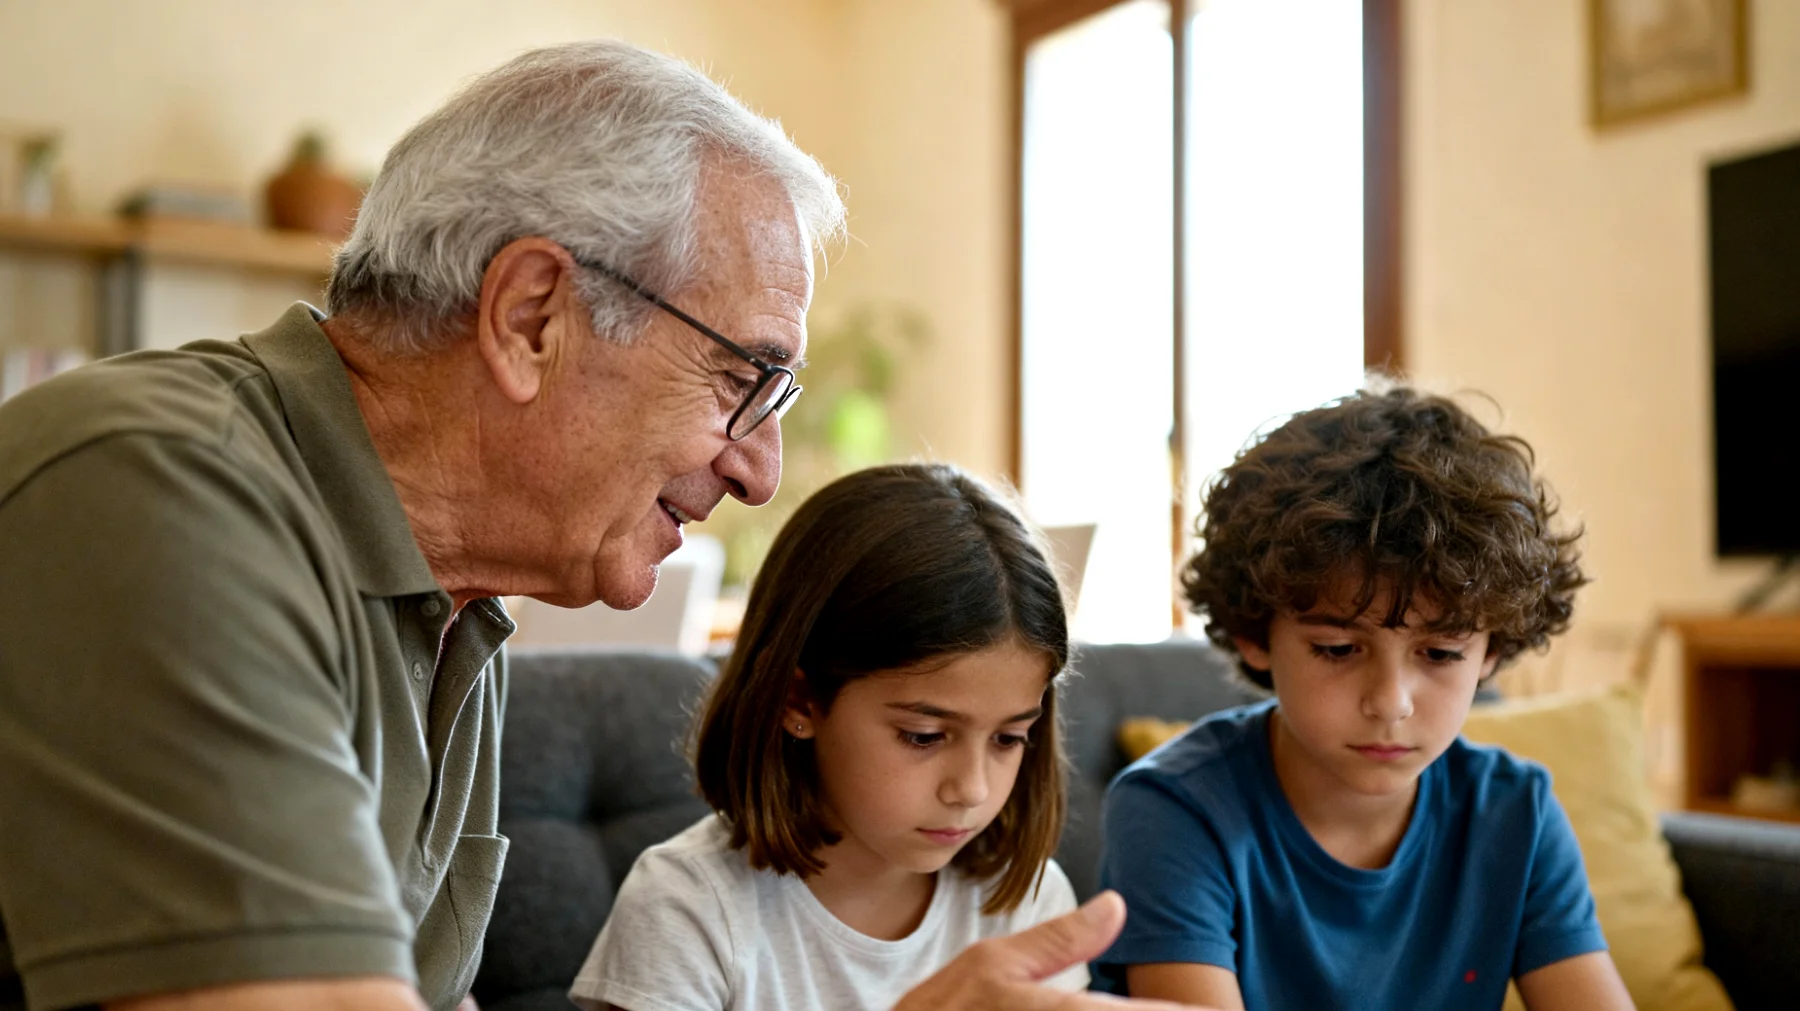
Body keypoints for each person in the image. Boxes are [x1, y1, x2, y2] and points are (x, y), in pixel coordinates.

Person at [0, 40, 1179, 1011]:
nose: (762, 472)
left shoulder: (454, 613)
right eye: (744, 381)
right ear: (529, 317)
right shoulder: (160, 485)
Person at [1093, 386, 1635, 1010]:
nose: (1390, 703)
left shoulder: (1516, 813)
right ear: (1253, 633)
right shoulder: (1175, 810)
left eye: (1439, 654)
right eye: (1337, 649)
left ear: (1492, 652)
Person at [571, 463, 1092, 1010]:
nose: (972, 790)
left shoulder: (1026, 902)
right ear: (800, 701)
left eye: (1008, 739)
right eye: (923, 736)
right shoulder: (686, 908)